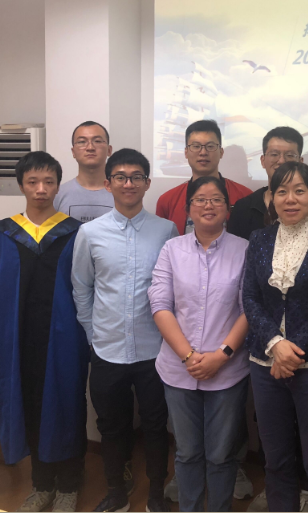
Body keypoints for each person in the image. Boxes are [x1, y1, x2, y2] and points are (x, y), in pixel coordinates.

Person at [72, 148, 178, 513]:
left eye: (136, 177)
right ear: (108, 184)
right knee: (111, 426)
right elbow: (82, 288)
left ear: (147, 183)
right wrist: (93, 335)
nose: (128, 183)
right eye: (120, 177)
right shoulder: (89, 233)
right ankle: (116, 492)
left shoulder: (166, 230)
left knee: (156, 426)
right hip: (107, 350)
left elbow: (173, 291)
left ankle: (156, 495)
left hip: (155, 350)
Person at [244, 161, 308, 513]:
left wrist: (292, 350)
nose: (291, 199)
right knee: (275, 460)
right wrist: (275, 345)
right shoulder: (259, 239)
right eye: (282, 191)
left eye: (299, 191)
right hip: (265, 364)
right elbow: (250, 298)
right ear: (271, 197)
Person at [0, 151, 89, 513]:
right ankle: (41, 484)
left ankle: (69, 484)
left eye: (49, 182)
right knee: (29, 403)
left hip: (64, 336)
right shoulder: (4, 232)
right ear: (21, 186)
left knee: (66, 404)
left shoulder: (74, 232)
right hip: (19, 337)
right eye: (33, 182)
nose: (41, 189)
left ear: (58, 186)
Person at [149, 177, 250, 512]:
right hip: (179, 370)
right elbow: (160, 305)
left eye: (217, 199)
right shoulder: (171, 249)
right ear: (188, 208)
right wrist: (189, 356)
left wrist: (221, 356)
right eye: (201, 199)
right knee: (188, 452)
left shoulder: (244, 249)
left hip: (228, 371)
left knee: (222, 455)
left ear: (227, 208)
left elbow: (249, 309)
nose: (209, 205)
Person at [227, 126, 308, 240]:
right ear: (263, 161)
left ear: (301, 162)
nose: (281, 161)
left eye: (290, 155)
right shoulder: (243, 208)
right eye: (274, 154)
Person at [156, 119, 253, 236]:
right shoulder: (167, 201)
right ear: (186, 152)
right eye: (196, 146)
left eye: (210, 146)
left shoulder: (245, 197)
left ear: (221, 152)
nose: (203, 152)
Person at [54, 121, 114, 223]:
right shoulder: (58, 194)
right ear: (73, 152)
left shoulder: (122, 192)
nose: (90, 148)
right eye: (82, 142)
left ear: (109, 150)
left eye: (97, 141)